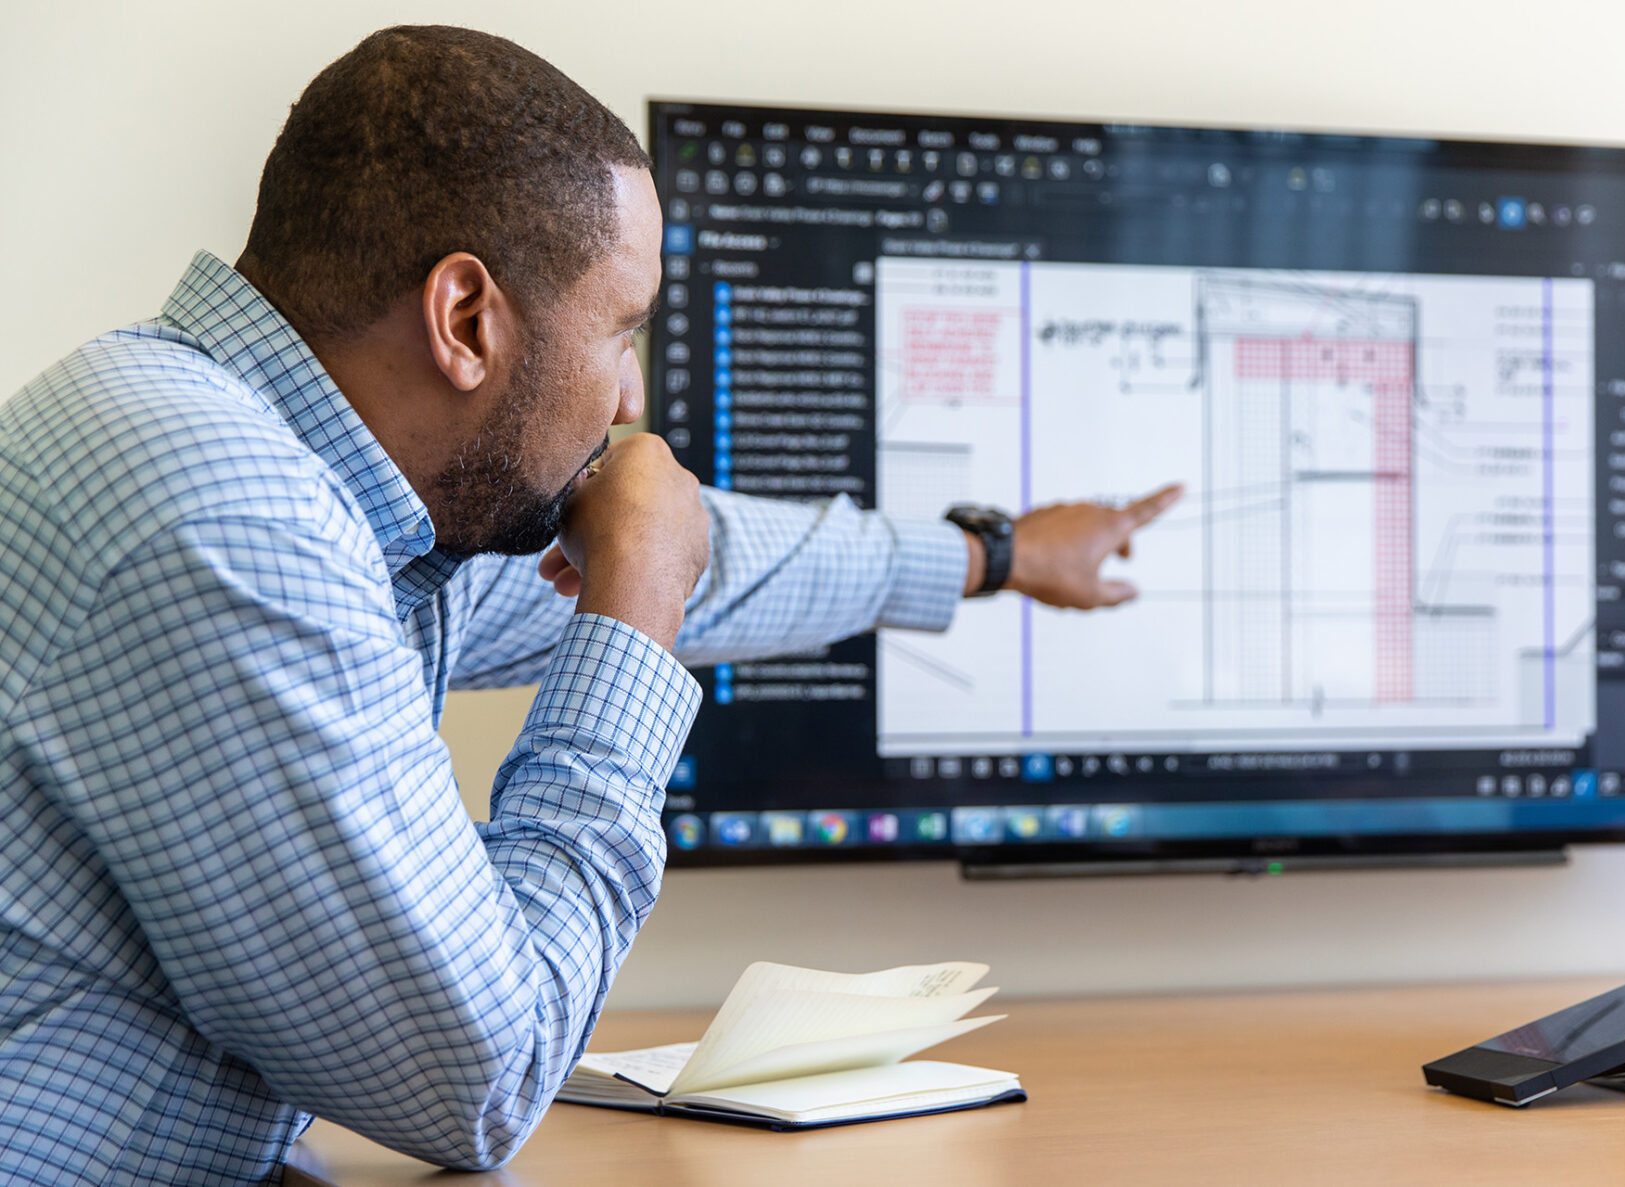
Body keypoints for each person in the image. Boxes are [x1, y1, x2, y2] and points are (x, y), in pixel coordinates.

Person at [0, 25, 1179, 1184]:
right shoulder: (235, 531)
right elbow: (481, 1078)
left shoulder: (243, 445)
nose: (630, 395)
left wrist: (992, 553)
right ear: (467, 320)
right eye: (621, 328)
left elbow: (713, 554)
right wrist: (628, 616)